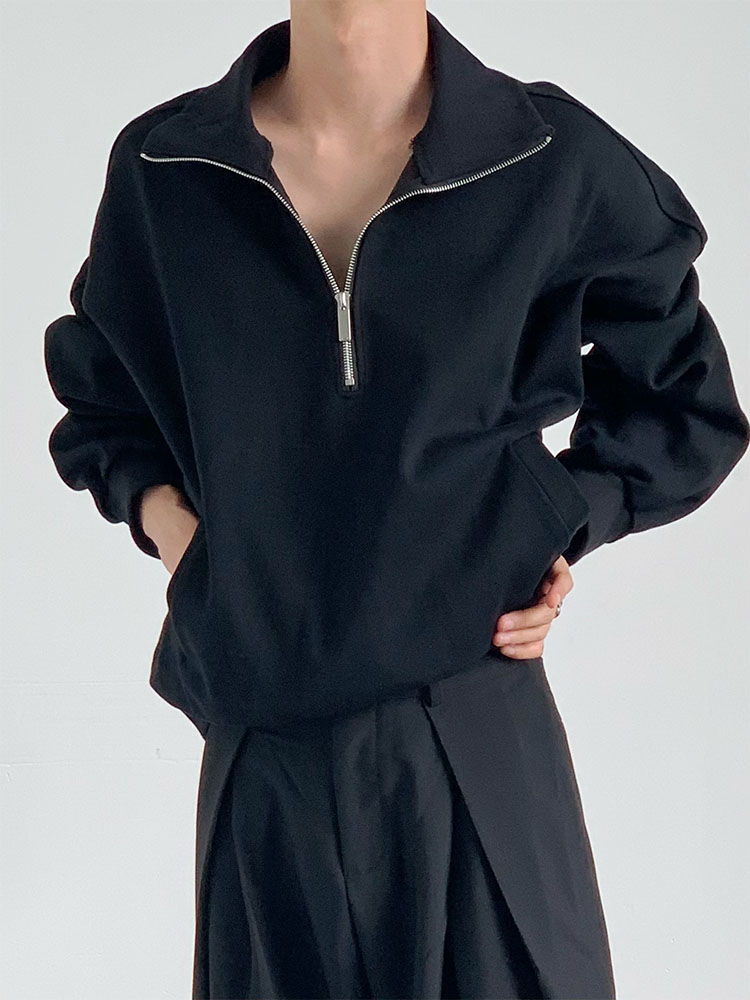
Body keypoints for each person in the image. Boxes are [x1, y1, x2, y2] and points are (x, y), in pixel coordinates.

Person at [43, 3, 749, 999]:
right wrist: (185, 542)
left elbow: (684, 403)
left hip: (472, 734)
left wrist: (557, 523)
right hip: (265, 752)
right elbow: (104, 398)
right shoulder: (169, 169)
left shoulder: (542, 157)